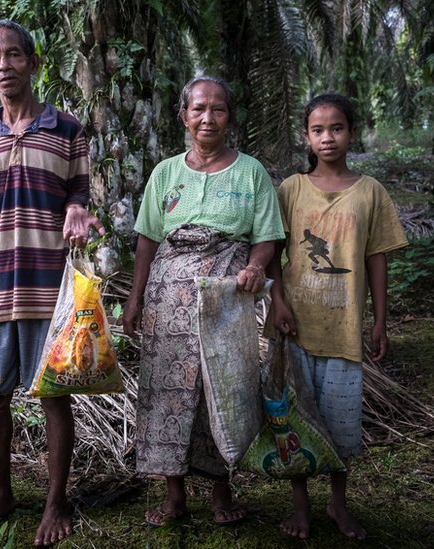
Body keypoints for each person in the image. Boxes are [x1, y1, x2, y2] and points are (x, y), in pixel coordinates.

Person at [0, 19, 104, 547]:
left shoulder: (68, 130)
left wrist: (77, 210)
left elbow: (78, 195)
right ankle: (2, 494)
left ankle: (56, 501)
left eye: (14, 55)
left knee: (54, 397)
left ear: (34, 64)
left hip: (49, 289)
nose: (5, 65)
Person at [122, 75, 285, 527]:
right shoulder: (165, 173)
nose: (207, 117)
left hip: (225, 298)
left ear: (229, 117)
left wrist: (255, 266)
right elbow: (147, 239)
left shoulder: (251, 172)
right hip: (166, 301)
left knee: (222, 387)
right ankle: (174, 496)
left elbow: (268, 236)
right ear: (184, 116)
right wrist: (135, 298)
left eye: (218, 109)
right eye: (198, 108)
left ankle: (221, 492)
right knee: (167, 391)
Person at [265, 93, 409, 540]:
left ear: (351, 132)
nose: (327, 137)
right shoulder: (290, 189)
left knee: (341, 426)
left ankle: (338, 505)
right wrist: (278, 302)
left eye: (337, 128)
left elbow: (377, 258)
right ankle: (301, 508)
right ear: (306, 137)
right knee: (295, 420)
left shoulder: (370, 192)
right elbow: (272, 251)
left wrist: (379, 320)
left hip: (344, 331)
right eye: (318, 130)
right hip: (295, 327)